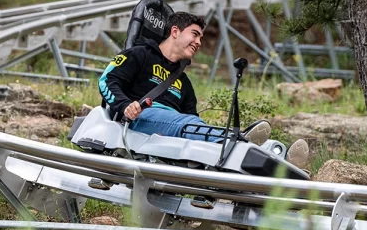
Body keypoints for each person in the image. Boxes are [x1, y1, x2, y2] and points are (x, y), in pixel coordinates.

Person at [98, 11, 309, 166]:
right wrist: (125, 106)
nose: (199, 42)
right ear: (175, 32)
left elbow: (192, 122)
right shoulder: (139, 54)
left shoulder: (184, 82)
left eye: (201, 37)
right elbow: (106, 80)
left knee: (194, 126)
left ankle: (277, 155)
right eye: (195, 34)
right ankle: (239, 142)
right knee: (191, 125)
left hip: (174, 128)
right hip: (138, 120)